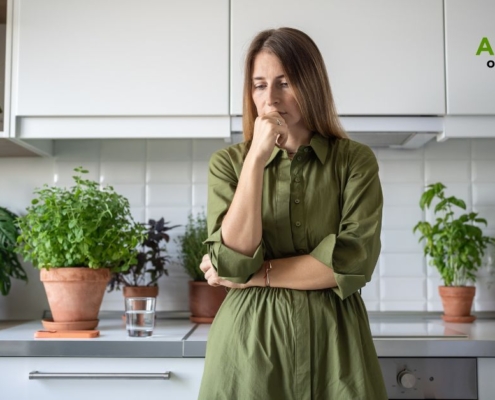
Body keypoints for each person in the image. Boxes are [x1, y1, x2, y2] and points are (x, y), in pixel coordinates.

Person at [198, 27, 387, 400]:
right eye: (259, 85)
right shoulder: (228, 165)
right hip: (249, 351)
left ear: (311, 85)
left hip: (337, 349)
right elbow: (233, 262)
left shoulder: (354, 161)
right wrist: (255, 158)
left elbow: (352, 261)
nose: (271, 99)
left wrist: (255, 277)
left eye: (285, 83)